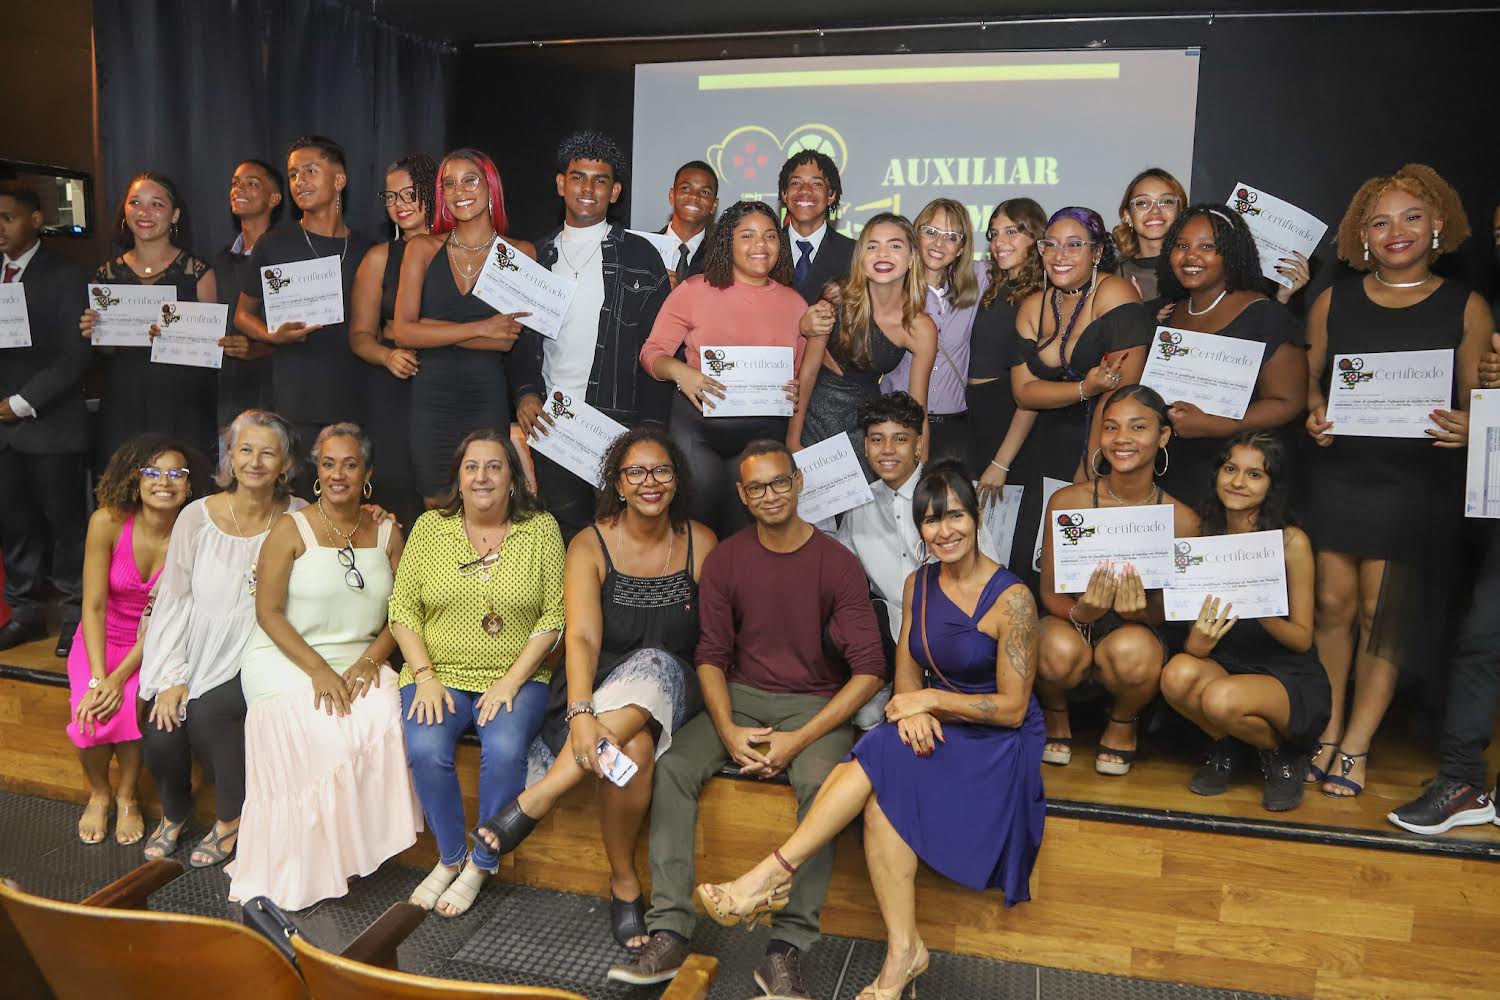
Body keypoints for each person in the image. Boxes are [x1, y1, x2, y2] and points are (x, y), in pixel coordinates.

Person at [696, 462, 1044, 1000]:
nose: (943, 531)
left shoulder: (1012, 597)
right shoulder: (920, 582)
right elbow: (906, 669)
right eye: (930, 521)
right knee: (882, 799)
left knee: (877, 749)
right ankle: (904, 952)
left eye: (954, 515)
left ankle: (772, 873)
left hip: (995, 742)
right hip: (939, 725)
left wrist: (929, 700)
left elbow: (1013, 708)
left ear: (977, 518)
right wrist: (913, 707)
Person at [607, 440, 885, 998]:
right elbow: (709, 656)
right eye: (756, 487)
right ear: (742, 494)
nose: (769, 494)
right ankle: (669, 931)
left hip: (814, 705)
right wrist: (729, 730)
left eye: (779, 482)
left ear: (799, 483)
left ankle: (785, 950)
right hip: (738, 697)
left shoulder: (838, 563)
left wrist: (799, 739)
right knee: (675, 767)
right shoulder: (729, 557)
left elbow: (870, 672)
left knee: (820, 785)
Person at [474, 426, 715, 950]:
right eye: (636, 472)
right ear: (618, 483)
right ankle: (624, 884)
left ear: (676, 479)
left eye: (661, 471)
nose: (650, 482)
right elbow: (580, 636)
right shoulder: (590, 542)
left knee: (655, 661)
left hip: (677, 688)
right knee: (636, 748)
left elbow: (716, 639)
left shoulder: (701, 541)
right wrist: (581, 712)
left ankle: (541, 795)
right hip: (600, 688)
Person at [1302, 164, 1488, 798]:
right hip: (1341, 474)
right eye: (1380, 222)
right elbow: (1312, 379)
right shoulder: (1335, 299)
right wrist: (1313, 412)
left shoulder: (1466, 306)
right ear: (1363, 236)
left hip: (1414, 483)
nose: (1396, 231)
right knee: (1331, 607)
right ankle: (1326, 730)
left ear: (1437, 226)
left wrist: (1472, 426)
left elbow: (1482, 400)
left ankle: (1357, 744)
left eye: (1411, 217)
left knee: (1384, 616)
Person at [228, 423, 419, 910]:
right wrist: (316, 669)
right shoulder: (290, 529)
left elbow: (404, 613)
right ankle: (309, 862)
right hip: (285, 658)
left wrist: (369, 661)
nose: (338, 474)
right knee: (326, 730)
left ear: (367, 473)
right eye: (329, 463)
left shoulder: (388, 531)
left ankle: (349, 853)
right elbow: (267, 613)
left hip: (360, 657)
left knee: (388, 716)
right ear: (316, 471)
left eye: (350, 464)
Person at [389, 429, 564, 917]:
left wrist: (511, 680)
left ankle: (481, 863)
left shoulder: (542, 529)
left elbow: (555, 617)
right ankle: (449, 858)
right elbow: (402, 610)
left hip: (517, 676)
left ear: (513, 479)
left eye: (494, 466)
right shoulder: (429, 528)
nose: (482, 476)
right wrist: (423, 675)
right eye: (472, 467)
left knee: (505, 749)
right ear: (458, 479)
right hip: (438, 673)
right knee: (425, 749)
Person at [138, 409, 307, 866]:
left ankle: (230, 821)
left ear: (285, 464)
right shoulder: (196, 516)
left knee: (214, 713)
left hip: (261, 649)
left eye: (267, 453)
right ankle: (174, 814)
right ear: (229, 457)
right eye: (245, 450)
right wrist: (174, 674)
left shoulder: (301, 518)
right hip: (195, 644)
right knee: (162, 728)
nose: (254, 461)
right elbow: (173, 600)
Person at [512, 130, 673, 541]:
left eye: (600, 180)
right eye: (578, 177)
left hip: (617, 426)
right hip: (553, 423)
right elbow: (518, 341)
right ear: (560, 184)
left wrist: (651, 432)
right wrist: (526, 393)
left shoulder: (642, 256)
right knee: (561, 538)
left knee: (620, 540)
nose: (588, 188)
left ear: (615, 191)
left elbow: (661, 348)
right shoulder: (535, 255)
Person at [1160, 432, 1328, 812]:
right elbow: (1194, 643)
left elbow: (1302, 640)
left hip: (1285, 674)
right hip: (1227, 662)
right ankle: (1227, 748)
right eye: (1231, 469)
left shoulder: (1290, 542)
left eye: (1255, 475)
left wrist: (1260, 603)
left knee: (1219, 699)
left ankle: (1280, 756)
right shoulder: (1200, 537)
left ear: (1272, 485)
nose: (1237, 482)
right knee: (1176, 674)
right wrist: (1199, 643)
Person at [1035, 386, 1199, 775]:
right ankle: (1055, 716)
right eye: (1110, 427)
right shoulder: (1066, 502)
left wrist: (1142, 612)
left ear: (1163, 436)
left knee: (1134, 655)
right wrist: (1084, 610)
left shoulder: (1184, 520)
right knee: (1050, 647)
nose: (1121, 439)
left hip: (1135, 633)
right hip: (1070, 622)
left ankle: (1123, 722)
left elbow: (1176, 612)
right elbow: (1048, 593)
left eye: (1137, 427)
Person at [639, 199, 806, 537]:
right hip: (697, 432)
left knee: (749, 540)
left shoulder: (796, 305)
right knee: (695, 533)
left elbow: (796, 376)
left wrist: (796, 390)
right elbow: (651, 353)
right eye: (747, 236)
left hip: (763, 436)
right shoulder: (694, 290)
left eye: (770, 236)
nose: (760, 245)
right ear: (728, 243)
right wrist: (680, 372)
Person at [67, 435, 202, 845]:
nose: (165, 481)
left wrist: (119, 677)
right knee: (88, 710)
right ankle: (100, 792)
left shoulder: (194, 533)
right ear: (135, 479)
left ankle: (127, 795)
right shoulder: (107, 521)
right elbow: (92, 605)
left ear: (189, 486)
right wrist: (97, 676)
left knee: (128, 702)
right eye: (153, 471)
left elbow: (165, 619)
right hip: (99, 637)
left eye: (176, 473)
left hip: (156, 642)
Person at [1011, 207, 1151, 581]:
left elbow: (1121, 393)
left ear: (1098, 252)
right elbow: (1024, 393)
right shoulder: (1031, 305)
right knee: (1034, 564)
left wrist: (1091, 467)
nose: (1060, 255)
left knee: (1093, 570)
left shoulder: (1115, 293)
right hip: (1041, 447)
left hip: (1101, 446)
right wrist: (1085, 388)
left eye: (1075, 245)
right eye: (1050, 245)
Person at [235, 135, 376, 489]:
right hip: (295, 401)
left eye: (310, 171)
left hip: (356, 399)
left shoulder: (369, 248)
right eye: (294, 174)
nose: (300, 181)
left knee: (348, 508)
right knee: (297, 509)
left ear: (339, 180)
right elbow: (242, 314)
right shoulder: (274, 243)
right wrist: (272, 335)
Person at [392, 148, 531, 507]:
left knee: (486, 504)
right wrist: (482, 328)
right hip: (430, 401)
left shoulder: (520, 253)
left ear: (490, 188)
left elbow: (509, 339)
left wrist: (433, 331)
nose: (459, 191)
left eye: (470, 180)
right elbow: (403, 333)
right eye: (449, 184)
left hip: (486, 399)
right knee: (437, 508)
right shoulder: (422, 248)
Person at [1152, 206, 1307, 509]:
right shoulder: (1171, 313)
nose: (1190, 256)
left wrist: (1216, 425)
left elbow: (1289, 402)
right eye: (1181, 246)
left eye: (1207, 247)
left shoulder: (1266, 316)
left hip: (1235, 483)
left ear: (1232, 254)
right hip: (1171, 472)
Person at [0, 180, 90, 656]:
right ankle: (25, 614)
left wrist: (19, 402)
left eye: (7, 217)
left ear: (35, 220)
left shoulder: (67, 275)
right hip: (2, 434)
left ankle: (76, 615)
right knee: (13, 527)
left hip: (50, 425)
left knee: (65, 527)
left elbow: (75, 356)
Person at [79, 171, 218, 462]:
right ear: (124, 212)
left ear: (175, 215)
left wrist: (177, 336)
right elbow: (106, 351)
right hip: (123, 396)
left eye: (157, 204)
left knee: (181, 486)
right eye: (135, 203)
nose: (144, 212)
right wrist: (95, 333)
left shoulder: (198, 272)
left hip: (182, 399)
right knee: (125, 490)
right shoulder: (106, 275)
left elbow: (211, 349)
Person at [790, 213, 936, 456]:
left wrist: (919, 473)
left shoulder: (920, 327)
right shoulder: (836, 297)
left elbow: (918, 408)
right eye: (872, 245)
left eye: (895, 245)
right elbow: (808, 373)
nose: (883, 254)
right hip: (813, 418)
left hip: (866, 428)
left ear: (912, 257)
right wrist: (793, 442)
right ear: (861, 257)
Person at [349, 151, 437, 529]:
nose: (400, 205)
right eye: (391, 197)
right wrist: (386, 356)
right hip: (393, 393)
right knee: (396, 493)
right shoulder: (379, 258)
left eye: (410, 193)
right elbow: (359, 336)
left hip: (447, 388)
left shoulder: (464, 252)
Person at [880, 198, 986, 470]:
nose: (939, 244)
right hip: (897, 426)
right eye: (931, 232)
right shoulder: (889, 286)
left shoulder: (979, 279)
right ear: (915, 234)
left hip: (956, 428)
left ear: (962, 247)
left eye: (951, 237)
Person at [971, 199, 1047, 542]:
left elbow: (1031, 390)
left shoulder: (1041, 297)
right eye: (994, 233)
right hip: (977, 419)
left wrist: (1001, 462)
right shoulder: (994, 287)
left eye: (1012, 232)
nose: (999, 241)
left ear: (1035, 236)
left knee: (1004, 540)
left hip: (1011, 424)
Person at [216, 159, 284, 427]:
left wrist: (257, 348)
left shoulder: (290, 253)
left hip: (275, 394)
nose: (238, 189)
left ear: (274, 198)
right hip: (228, 395)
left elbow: (305, 327)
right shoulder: (221, 259)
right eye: (235, 183)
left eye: (252, 184)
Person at [779, 150, 855, 304]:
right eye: (796, 183)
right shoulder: (766, 250)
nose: (805, 190)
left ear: (831, 195)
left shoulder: (854, 253)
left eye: (816, 184)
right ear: (784, 194)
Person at [1112, 168, 1187, 301]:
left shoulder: (1196, 269)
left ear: (1180, 211)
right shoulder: (1113, 276)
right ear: (1128, 216)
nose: (1155, 211)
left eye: (1166, 201)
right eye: (1142, 203)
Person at [659, 159, 718, 285]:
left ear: (714, 205)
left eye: (704, 192)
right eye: (685, 188)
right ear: (672, 196)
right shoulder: (644, 247)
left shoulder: (721, 258)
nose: (694, 196)